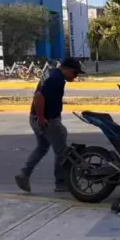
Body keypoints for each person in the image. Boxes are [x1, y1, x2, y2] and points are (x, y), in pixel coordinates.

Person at [15, 57, 84, 193]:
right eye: (75, 73)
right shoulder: (56, 80)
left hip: (35, 117)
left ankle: (24, 174)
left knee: (42, 147)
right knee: (62, 152)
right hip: (47, 121)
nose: (75, 77)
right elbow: (39, 97)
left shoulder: (52, 73)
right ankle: (61, 182)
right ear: (67, 69)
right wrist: (42, 118)